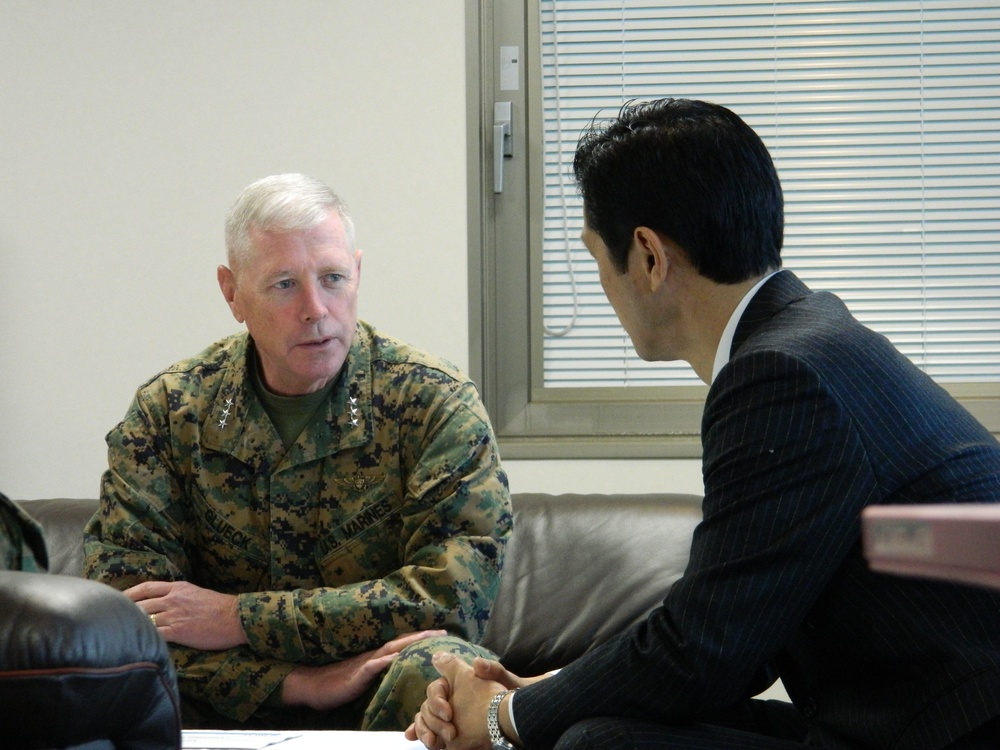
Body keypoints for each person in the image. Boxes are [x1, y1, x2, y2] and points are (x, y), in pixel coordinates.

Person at [407, 99, 1000, 749]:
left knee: (597, 745)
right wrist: (536, 692)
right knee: (591, 726)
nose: (601, 282)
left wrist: (496, 720)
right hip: (906, 716)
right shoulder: (810, 340)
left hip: (951, 731)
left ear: (648, 257)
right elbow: (735, 632)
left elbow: (700, 648)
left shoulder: (781, 376)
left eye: (594, 255)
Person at [85, 173, 512, 731]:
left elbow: (451, 598)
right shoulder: (171, 411)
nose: (316, 309)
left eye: (333, 278)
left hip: (380, 685)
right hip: (221, 691)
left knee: (456, 677)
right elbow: (128, 608)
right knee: (112, 665)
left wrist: (241, 618)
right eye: (284, 284)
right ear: (232, 292)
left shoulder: (432, 401)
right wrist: (295, 685)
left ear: (358, 272)